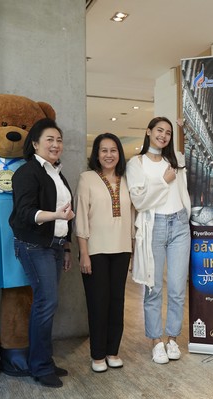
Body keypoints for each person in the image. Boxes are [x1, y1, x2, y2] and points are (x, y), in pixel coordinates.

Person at [9, 118, 75, 388]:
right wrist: (55, 215)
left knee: (48, 304)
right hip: (34, 245)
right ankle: (40, 366)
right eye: (50, 139)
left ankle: (44, 360)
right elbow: (24, 213)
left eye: (59, 140)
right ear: (35, 144)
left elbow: (67, 215)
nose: (56, 144)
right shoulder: (27, 172)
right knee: (46, 303)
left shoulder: (57, 173)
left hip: (55, 246)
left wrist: (67, 246)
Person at [126, 117, 191, 364]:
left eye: (168, 132)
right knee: (153, 288)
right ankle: (155, 341)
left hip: (180, 225)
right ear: (148, 131)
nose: (163, 136)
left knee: (177, 287)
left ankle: (172, 338)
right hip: (154, 227)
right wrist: (163, 181)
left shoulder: (175, 160)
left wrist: (185, 128)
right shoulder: (136, 163)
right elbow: (139, 200)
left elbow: (194, 148)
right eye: (159, 130)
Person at [75, 133, 132, 373]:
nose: (109, 155)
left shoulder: (127, 180)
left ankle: (112, 351)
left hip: (122, 249)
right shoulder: (87, 178)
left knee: (117, 302)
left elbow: (133, 217)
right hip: (95, 251)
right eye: (104, 150)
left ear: (119, 153)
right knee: (98, 303)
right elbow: (80, 217)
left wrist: (134, 251)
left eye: (113, 150)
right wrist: (84, 253)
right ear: (96, 154)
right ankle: (97, 355)